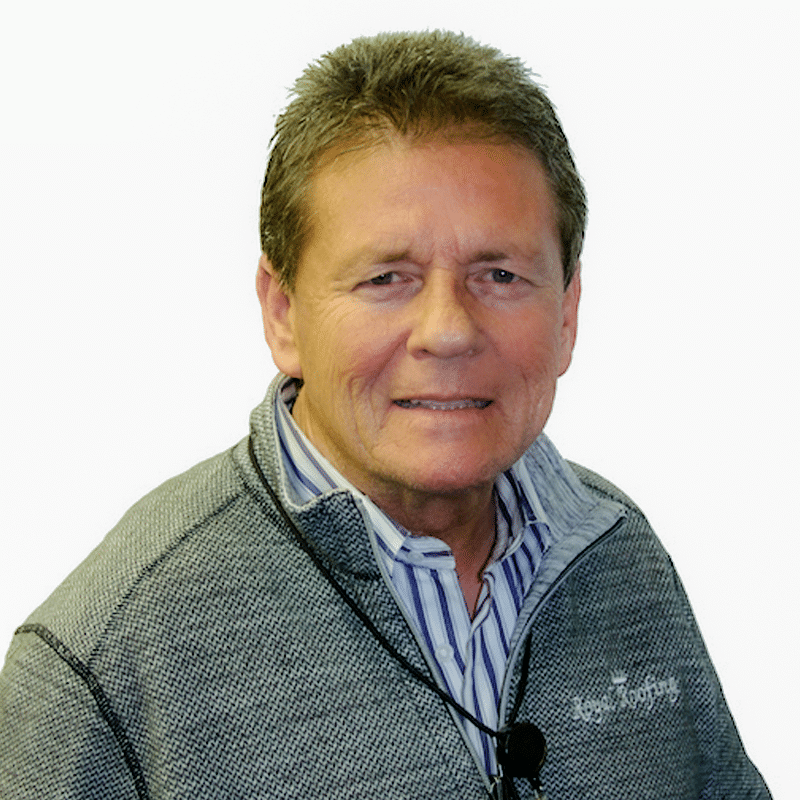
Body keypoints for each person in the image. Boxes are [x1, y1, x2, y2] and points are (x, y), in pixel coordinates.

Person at [0, 30, 770, 800]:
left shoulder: (619, 552)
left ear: (568, 313)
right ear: (283, 313)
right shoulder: (100, 666)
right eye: (386, 278)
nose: (448, 330)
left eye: (499, 274)